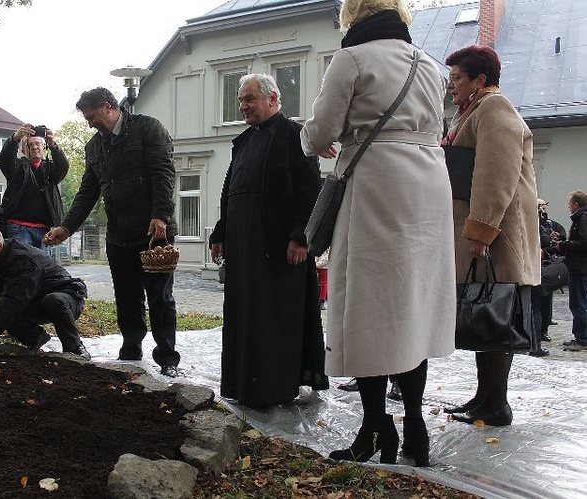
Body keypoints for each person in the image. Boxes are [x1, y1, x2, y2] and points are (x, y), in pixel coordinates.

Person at [300, 0, 456, 467]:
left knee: (369, 304)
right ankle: (416, 426)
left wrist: (314, 138)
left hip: (376, 182)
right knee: (413, 303)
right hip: (429, 184)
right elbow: (437, 125)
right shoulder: (430, 64)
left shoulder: (352, 59)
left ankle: (374, 428)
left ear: (353, 16)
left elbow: (321, 130)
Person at [209, 74, 329, 408]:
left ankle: (274, 388)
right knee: (244, 316)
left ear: (273, 99)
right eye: (240, 100)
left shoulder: (295, 136)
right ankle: (244, 384)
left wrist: (301, 237)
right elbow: (231, 190)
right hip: (245, 248)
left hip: (279, 249)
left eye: (249, 99)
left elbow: (310, 191)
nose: (242, 106)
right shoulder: (244, 141)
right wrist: (221, 232)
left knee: (274, 319)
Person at [44, 87, 180, 377]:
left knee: (160, 297)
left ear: (108, 107)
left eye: (91, 117)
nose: (89, 123)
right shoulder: (94, 146)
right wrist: (67, 228)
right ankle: (131, 348)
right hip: (118, 234)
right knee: (126, 295)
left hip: (153, 231)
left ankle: (167, 357)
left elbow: (164, 173)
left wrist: (160, 215)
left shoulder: (147, 129)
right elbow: (88, 191)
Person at [441, 45, 540, 426]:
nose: (451, 87)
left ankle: (496, 405)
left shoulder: (494, 109)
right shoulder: (475, 111)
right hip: (487, 234)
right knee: (484, 314)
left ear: (479, 80)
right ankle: (485, 397)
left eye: (456, 79)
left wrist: (480, 232)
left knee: (495, 314)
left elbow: (495, 173)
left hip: (497, 237)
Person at [0, 226, 89, 358]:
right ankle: (37, 341)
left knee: (52, 300)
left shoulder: (24, 261)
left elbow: (10, 303)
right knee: (2, 310)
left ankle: (75, 348)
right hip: (35, 298)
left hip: (66, 296)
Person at [0, 124, 68, 249]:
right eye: (30, 145)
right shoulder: (16, 168)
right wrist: (14, 139)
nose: (34, 147)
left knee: (44, 267)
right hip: (18, 227)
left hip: (44, 230)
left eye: (38, 144)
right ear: (23, 150)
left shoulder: (50, 170)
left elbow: (63, 166)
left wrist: (53, 145)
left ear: (44, 147)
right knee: (23, 266)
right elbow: (5, 159)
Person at [530, 198, 567, 356]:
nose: (544, 209)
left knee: (541, 305)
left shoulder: (545, 222)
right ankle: (535, 343)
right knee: (536, 307)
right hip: (536, 270)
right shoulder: (534, 222)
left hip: (543, 270)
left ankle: (539, 336)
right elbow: (544, 243)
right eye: (541, 206)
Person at [554, 191, 587, 352]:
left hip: (580, 268)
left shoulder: (582, 218)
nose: (568, 206)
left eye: (569, 203)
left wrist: (565, 245)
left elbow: (583, 243)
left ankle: (582, 339)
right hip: (579, 267)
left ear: (575, 204)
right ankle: (581, 336)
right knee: (580, 302)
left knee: (579, 303)